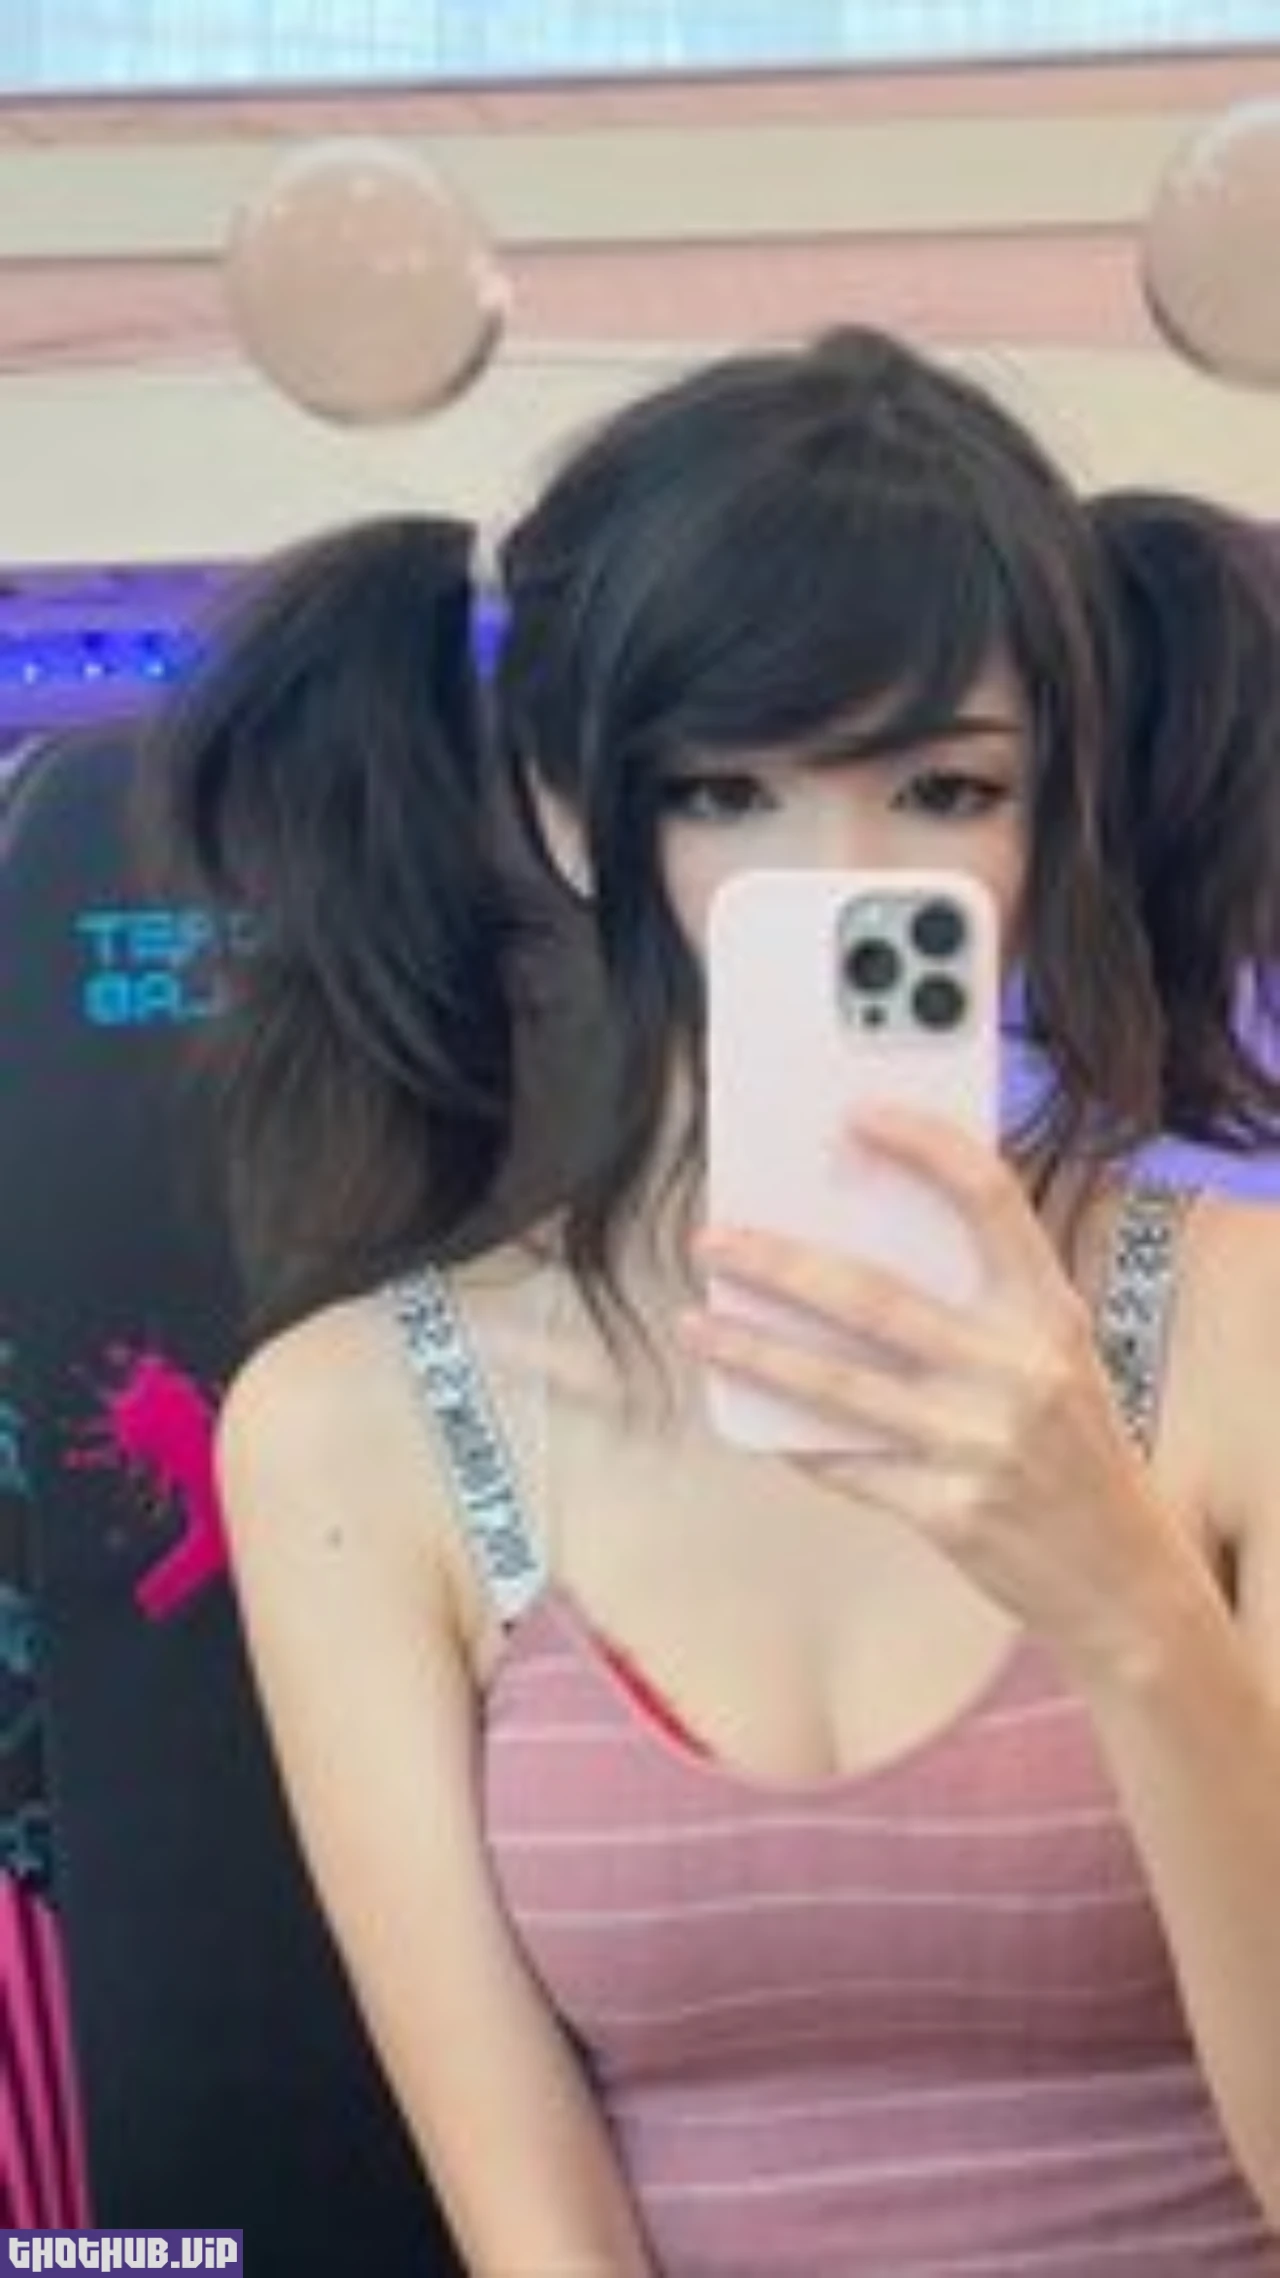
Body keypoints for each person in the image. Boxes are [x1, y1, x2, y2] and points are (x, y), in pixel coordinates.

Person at [146, 329, 1280, 2276]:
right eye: (726, 789)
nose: (838, 878)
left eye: (945, 785)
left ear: (1053, 812)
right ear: (571, 808)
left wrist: (1122, 1595)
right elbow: (538, 2229)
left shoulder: (1245, 1327)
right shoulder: (362, 1425)